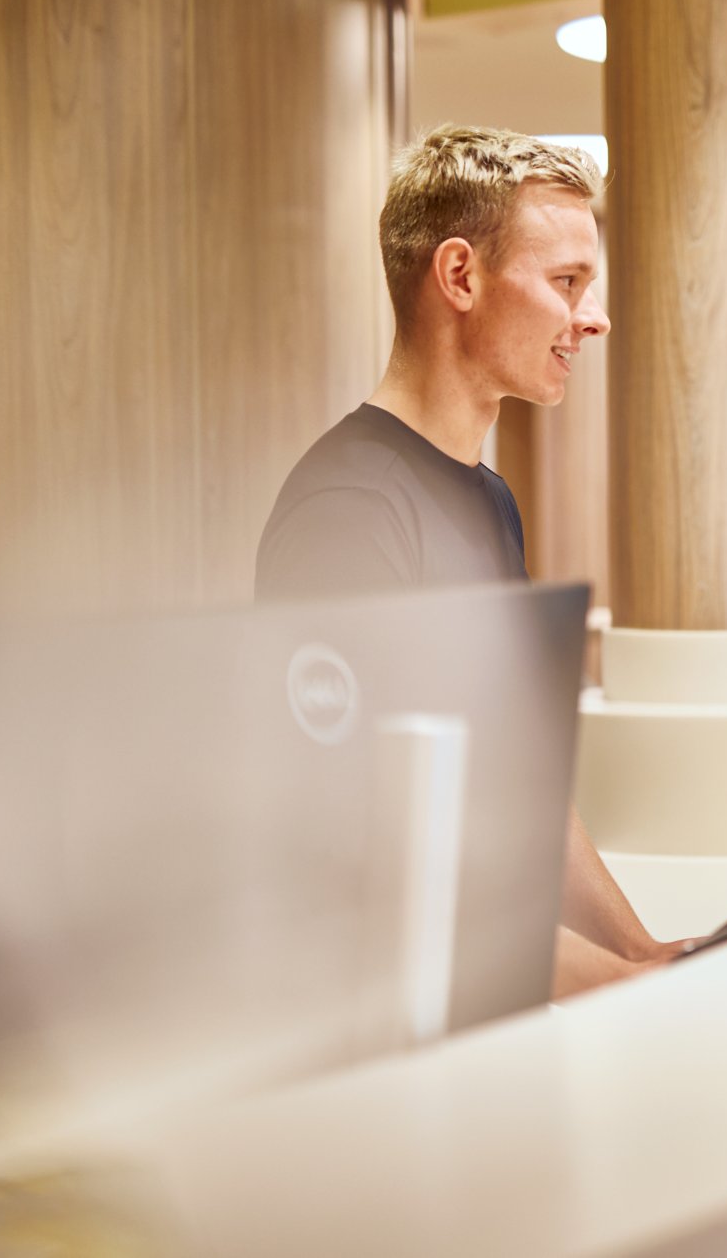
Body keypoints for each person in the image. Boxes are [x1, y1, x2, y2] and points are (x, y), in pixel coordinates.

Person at [256, 125, 678, 997]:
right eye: (567, 282)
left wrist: (644, 954)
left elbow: (518, 779)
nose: (592, 317)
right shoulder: (348, 512)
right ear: (459, 276)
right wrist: (613, 988)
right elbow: (378, 855)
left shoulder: (490, 501)